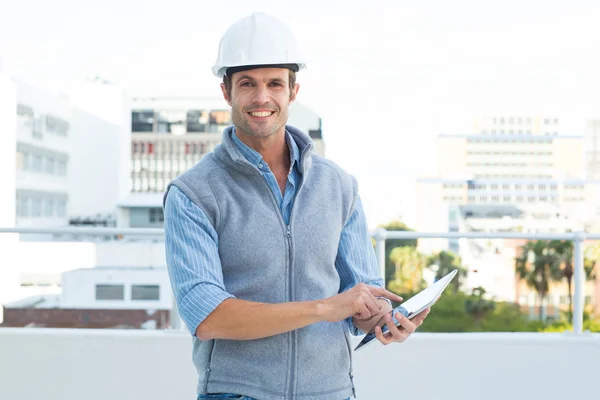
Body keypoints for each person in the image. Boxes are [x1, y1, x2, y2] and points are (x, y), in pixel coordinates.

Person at [163, 12, 430, 400]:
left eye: (275, 84)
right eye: (247, 84)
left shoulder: (339, 185)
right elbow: (208, 316)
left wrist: (385, 320)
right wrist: (324, 308)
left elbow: (361, 300)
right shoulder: (193, 193)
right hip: (236, 393)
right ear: (226, 92)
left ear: (294, 91)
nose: (262, 98)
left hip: (331, 392)